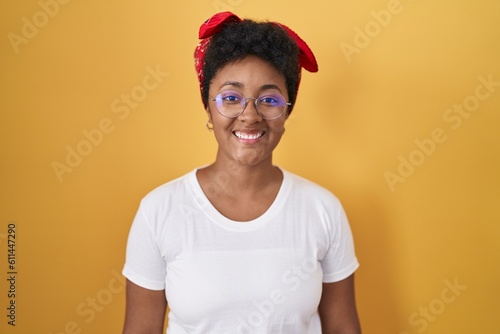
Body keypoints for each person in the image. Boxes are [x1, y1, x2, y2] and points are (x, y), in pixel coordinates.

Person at [122, 11, 361, 334]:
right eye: (231, 98)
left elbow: (343, 327)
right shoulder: (159, 211)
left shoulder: (323, 210)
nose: (250, 115)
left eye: (269, 99)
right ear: (208, 106)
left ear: (287, 109)